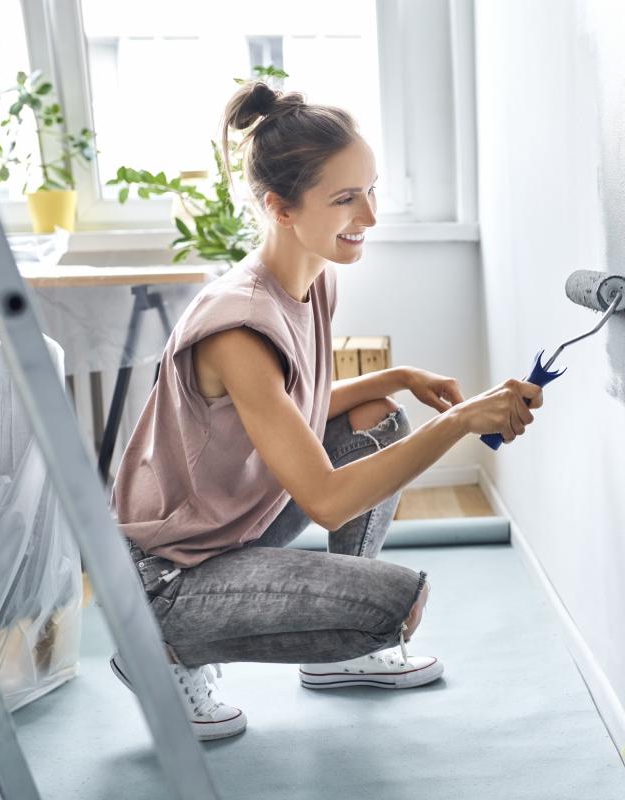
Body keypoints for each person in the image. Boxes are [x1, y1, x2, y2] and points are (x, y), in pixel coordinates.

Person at [107, 81, 543, 741]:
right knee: (393, 605)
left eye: (371, 189)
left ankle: (338, 664)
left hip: (227, 525)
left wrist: (394, 377)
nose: (368, 215)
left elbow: (292, 415)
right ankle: (166, 651)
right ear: (279, 207)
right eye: (344, 199)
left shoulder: (314, 279)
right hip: (169, 576)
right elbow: (328, 501)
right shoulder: (239, 327)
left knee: (377, 413)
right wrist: (458, 421)